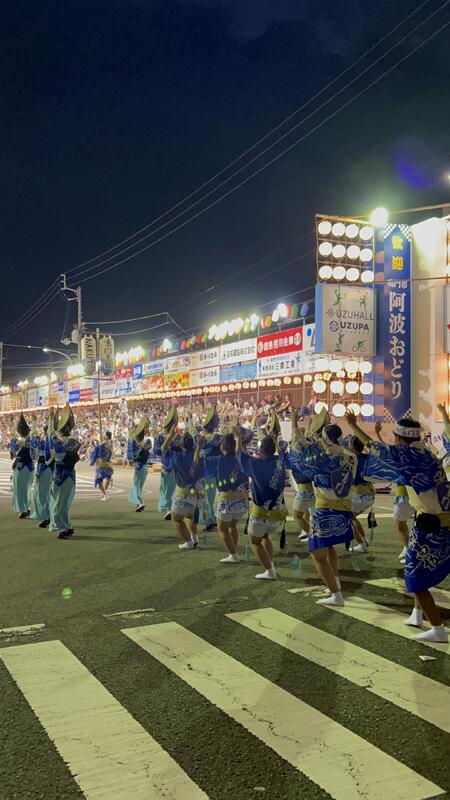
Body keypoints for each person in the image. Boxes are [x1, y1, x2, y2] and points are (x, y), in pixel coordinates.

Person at [347, 408, 450, 644]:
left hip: (429, 526)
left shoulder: (408, 455)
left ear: (402, 438)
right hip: (440, 521)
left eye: (397, 438)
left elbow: (376, 448)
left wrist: (353, 425)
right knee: (419, 572)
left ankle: (437, 629)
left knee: (414, 575)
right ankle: (417, 613)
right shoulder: (428, 455)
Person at [289, 412, 356, 605]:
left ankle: (336, 595)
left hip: (324, 511)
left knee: (317, 555)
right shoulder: (351, 457)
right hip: (344, 510)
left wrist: (295, 421)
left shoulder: (322, 459)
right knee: (330, 549)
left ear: (326, 440)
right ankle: (334, 583)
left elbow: (298, 447)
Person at [235, 420, 287, 580]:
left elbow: (240, 455)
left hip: (261, 515)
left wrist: (239, 438)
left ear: (261, 450)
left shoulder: (255, 464)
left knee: (255, 541)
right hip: (278, 514)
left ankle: (269, 571)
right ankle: (270, 563)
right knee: (264, 537)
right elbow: (279, 451)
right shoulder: (280, 462)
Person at [198, 431, 249, 564]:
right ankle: (234, 551)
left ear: (222, 447)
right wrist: (240, 439)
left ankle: (233, 555)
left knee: (222, 528)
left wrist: (199, 447)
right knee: (232, 526)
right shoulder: (241, 458)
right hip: (242, 502)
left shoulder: (219, 460)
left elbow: (197, 462)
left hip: (227, 501)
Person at [374, 421, 413, 564]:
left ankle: (407, 549)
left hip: (405, 495)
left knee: (400, 524)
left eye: (396, 436)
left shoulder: (400, 452)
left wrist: (376, 433)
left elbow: (381, 449)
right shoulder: (423, 453)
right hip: (422, 496)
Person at [161, 425, 204, 550]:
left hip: (183, 493)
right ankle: (195, 538)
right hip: (196, 493)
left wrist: (170, 436)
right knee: (189, 516)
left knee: (177, 518)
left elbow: (163, 450)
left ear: (181, 444)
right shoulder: (198, 456)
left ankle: (189, 542)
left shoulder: (176, 456)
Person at [48, 404, 81, 539]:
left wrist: (51, 420)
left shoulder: (58, 443)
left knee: (57, 504)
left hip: (59, 476)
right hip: (70, 476)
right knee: (64, 504)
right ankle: (67, 526)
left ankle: (63, 527)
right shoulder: (74, 442)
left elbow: (51, 436)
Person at [343, 434, 375, 554]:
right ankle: (364, 540)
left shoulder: (352, 459)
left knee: (346, 518)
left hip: (359, 494)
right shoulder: (368, 458)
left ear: (351, 446)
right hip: (370, 494)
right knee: (352, 517)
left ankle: (361, 544)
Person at [153, 405, 178, 521]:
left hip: (171, 467)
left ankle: (170, 509)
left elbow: (158, 451)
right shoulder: (167, 437)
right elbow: (157, 451)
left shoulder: (164, 438)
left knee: (167, 489)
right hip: (175, 467)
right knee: (169, 489)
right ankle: (171, 509)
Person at [30, 412, 54, 528]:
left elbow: (33, 435)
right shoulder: (52, 440)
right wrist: (50, 419)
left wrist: (34, 422)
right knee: (48, 493)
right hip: (51, 469)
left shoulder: (43, 441)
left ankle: (47, 516)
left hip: (43, 468)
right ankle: (48, 515)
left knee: (42, 494)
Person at [200, 405, 221, 532]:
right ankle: (211, 520)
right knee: (211, 498)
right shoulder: (218, 438)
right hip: (215, 473)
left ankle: (210, 521)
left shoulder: (201, 438)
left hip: (206, 473)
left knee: (207, 499)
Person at [11, 413, 34, 519]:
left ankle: (23, 510)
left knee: (20, 489)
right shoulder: (32, 441)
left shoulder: (16, 442)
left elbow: (12, 456)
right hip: (30, 468)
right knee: (28, 488)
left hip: (20, 467)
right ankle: (28, 508)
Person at [127, 416, 152, 512]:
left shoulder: (136, 442)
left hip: (139, 465)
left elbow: (131, 453)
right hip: (144, 466)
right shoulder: (146, 441)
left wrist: (132, 460)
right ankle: (140, 502)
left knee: (136, 485)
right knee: (139, 486)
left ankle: (139, 503)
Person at [90, 430, 114, 501]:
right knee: (108, 478)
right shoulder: (110, 444)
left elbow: (96, 451)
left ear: (106, 436)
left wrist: (92, 461)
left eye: (104, 434)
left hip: (101, 464)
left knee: (99, 480)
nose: (103, 435)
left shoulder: (102, 444)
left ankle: (105, 494)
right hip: (108, 463)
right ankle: (104, 492)